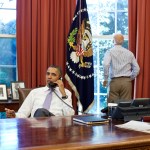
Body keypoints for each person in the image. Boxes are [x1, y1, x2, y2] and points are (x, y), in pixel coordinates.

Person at [5, 65, 75, 118]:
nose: (49, 77)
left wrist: (63, 93)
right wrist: (14, 115)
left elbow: (69, 115)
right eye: (48, 74)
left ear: (60, 78)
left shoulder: (66, 93)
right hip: (36, 126)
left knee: (41, 111)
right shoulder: (35, 92)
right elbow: (23, 113)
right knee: (40, 111)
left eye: (53, 75)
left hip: (56, 127)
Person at [102, 33, 140, 105]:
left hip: (114, 81)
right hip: (126, 82)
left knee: (112, 106)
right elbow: (137, 69)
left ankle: (113, 116)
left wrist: (105, 79)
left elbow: (106, 64)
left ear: (113, 41)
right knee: (125, 107)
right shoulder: (129, 53)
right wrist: (130, 78)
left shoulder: (109, 52)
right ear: (122, 41)